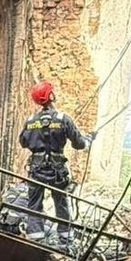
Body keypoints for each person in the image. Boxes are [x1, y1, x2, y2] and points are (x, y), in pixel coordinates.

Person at [18, 80, 94, 246]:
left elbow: (23, 142)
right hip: (57, 170)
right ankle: (65, 239)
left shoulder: (30, 121)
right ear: (50, 96)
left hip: (36, 169)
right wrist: (88, 140)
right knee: (61, 202)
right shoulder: (63, 119)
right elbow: (79, 144)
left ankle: (35, 238)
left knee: (34, 203)